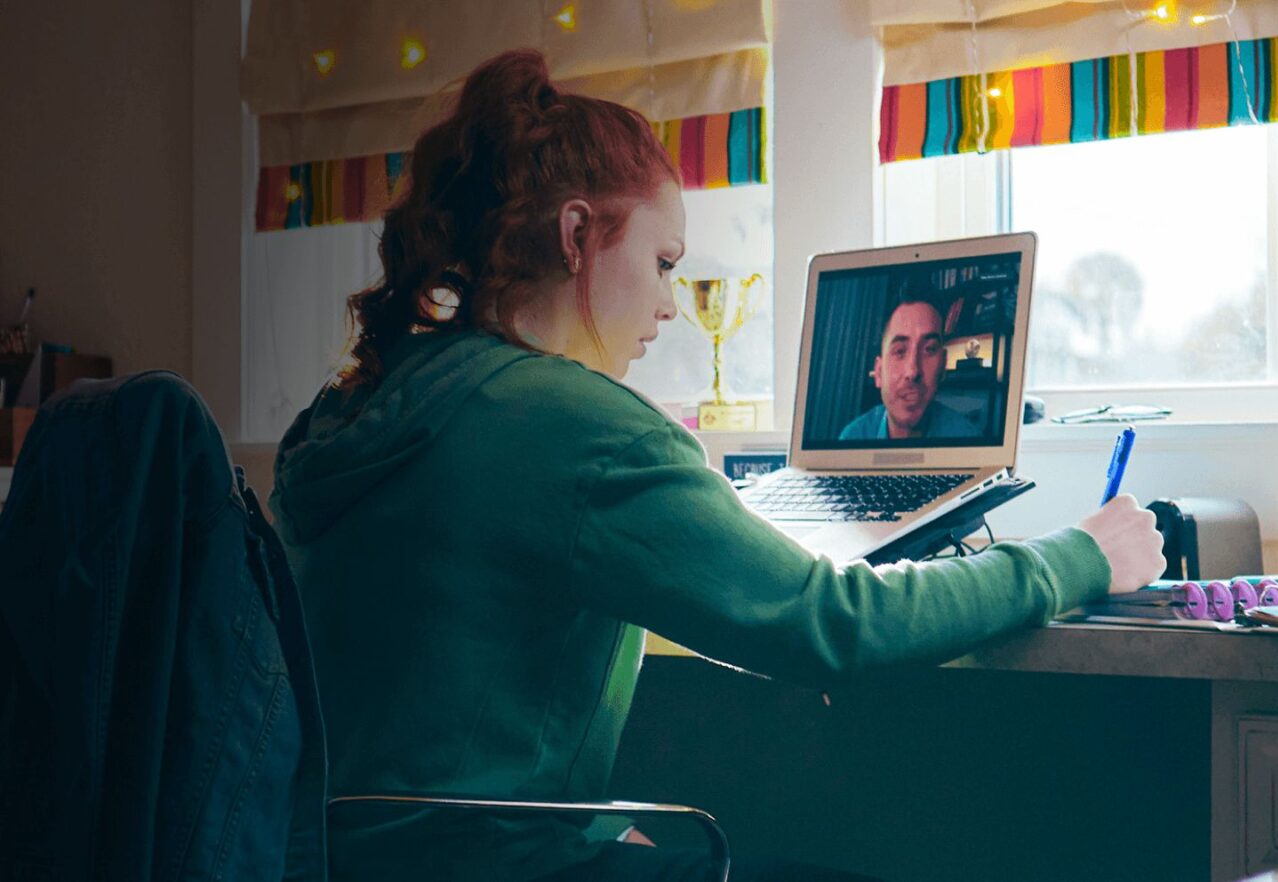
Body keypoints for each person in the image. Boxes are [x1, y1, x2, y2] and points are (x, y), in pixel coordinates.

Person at [266, 50, 1166, 882]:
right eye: (661, 264)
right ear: (577, 235)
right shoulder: (574, 425)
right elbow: (834, 627)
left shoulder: (360, 401)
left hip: (330, 854)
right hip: (499, 859)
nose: (668, 305)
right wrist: (1077, 556)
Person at [836, 287, 985, 440]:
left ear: (943, 366)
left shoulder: (969, 441)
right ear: (879, 372)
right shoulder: (852, 438)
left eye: (929, 349)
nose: (913, 371)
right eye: (900, 351)